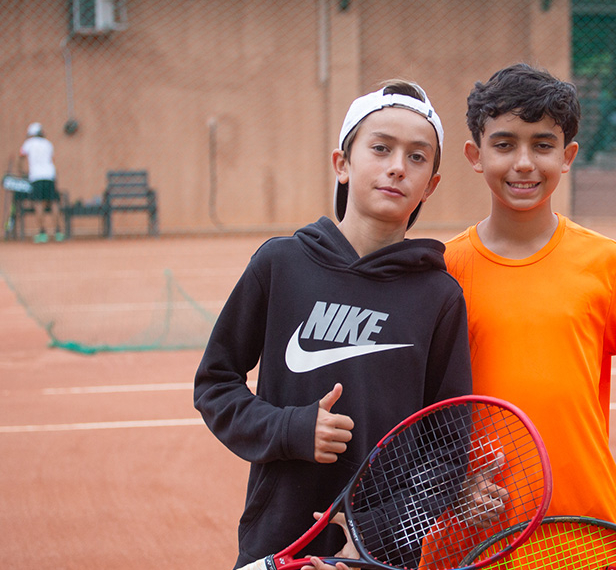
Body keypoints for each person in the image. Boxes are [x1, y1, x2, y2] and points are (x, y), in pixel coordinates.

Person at [193, 80, 473, 570]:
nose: (397, 167)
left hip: (375, 555)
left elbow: (446, 449)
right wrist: (291, 428)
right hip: (277, 537)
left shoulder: (439, 296)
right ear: (342, 164)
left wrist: (373, 538)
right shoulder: (280, 264)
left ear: (430, 185)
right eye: (381, 148)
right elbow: (215, 383)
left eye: (416, 157)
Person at [444, 63, 616, 570]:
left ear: (567, 156)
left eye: (542, 145)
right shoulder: (444, 271)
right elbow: (415, 411)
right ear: (475, 156)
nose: (524, 162)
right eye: (504, 144)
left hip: (581, 542)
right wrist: (450, 484)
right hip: (470, 544)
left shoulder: (605, 263)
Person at [18, 122, 64, 242]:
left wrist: (22, 170)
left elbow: (21, 155)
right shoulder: (48, 144)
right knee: (53, 202)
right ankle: (58, 232)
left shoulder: (28, 143)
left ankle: (42, 232)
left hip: (36, 176)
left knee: (38, 203)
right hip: (50, 175)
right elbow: (52, 159)